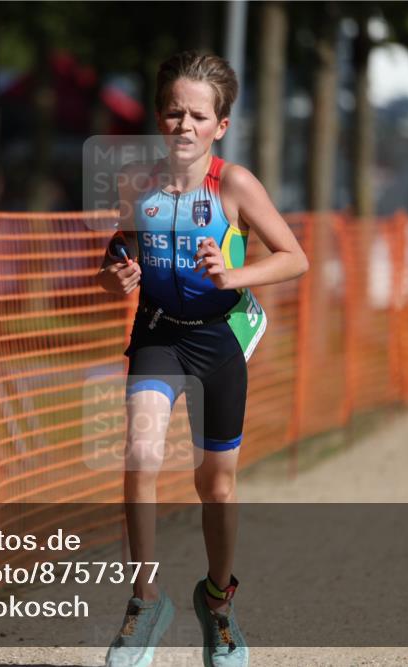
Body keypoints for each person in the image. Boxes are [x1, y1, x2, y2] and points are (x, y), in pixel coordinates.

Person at [95, 51, 309, 667]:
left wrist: (233, 273)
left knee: (215, 485)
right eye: (172, 112)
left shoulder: (234, 184)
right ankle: (144, 602)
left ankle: (217, 601)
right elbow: (116, 258)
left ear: (220, 125)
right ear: (158, 118)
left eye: (197, 115)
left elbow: (293, 256)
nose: (183, 125)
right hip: (159, 333)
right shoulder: (137, 184)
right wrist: (120, 274)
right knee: (140, 457)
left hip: (217, 339)